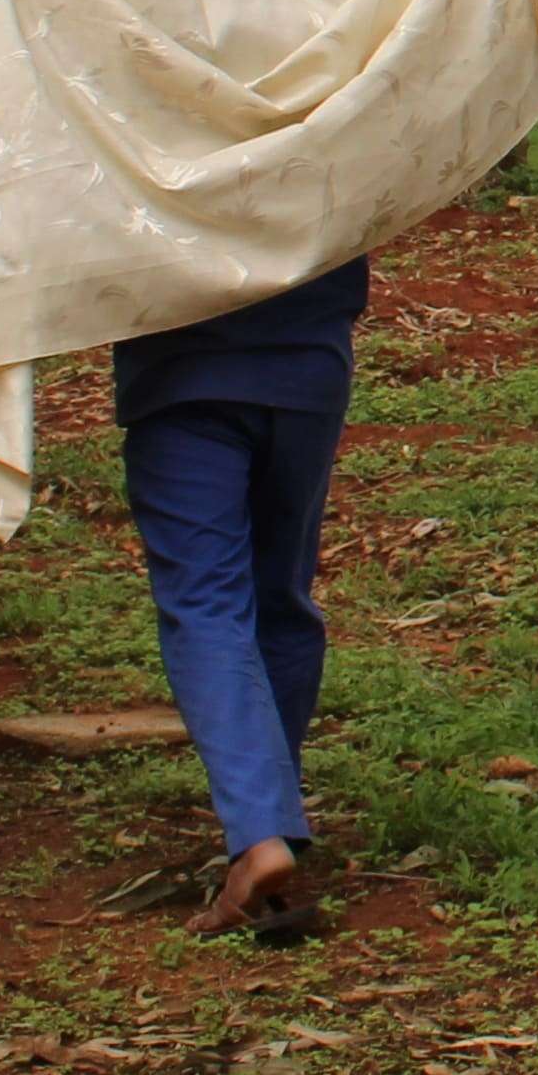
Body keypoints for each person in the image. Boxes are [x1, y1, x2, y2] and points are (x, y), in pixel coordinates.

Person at [112, 255, 374, 937]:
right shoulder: (305, 138)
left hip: (185, 371)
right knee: (280, 597)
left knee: (206, 604)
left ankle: (260, 835)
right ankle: (276, 820)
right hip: (309, 364)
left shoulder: (160, 138)